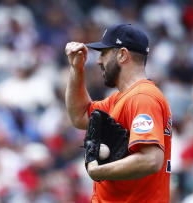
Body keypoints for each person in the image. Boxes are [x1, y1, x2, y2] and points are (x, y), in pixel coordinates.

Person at [65, 23, 172, 202]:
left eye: (104, 53)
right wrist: (77, 69)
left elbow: (151, 160)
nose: (99, 61)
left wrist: (97, 171)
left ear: (122, 55)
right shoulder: (122, 98)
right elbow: (80, 116)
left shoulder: (142, 97)